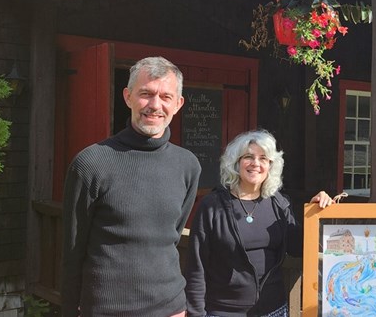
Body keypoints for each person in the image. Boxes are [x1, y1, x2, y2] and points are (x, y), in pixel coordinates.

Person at [62, 56, 201, 317]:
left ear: (178, 104)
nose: (155, 105)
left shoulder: (188, 165)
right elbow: (72, 251)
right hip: (106, 309)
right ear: (128, 97)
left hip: (170, 308)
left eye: (165, 97)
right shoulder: (91, 163)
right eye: (145, 94)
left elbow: (171, 234)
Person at [185, 129, 336, 317]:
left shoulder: (278, 204)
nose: (256, 163)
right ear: (236, 162)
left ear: (271, 165)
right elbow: (196, 266)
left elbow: (299, 247)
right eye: (248, 156)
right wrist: (195, 313)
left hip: (272, 310)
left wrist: (320, 212)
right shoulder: (213, 206)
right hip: (223, 311)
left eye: (263, 158)